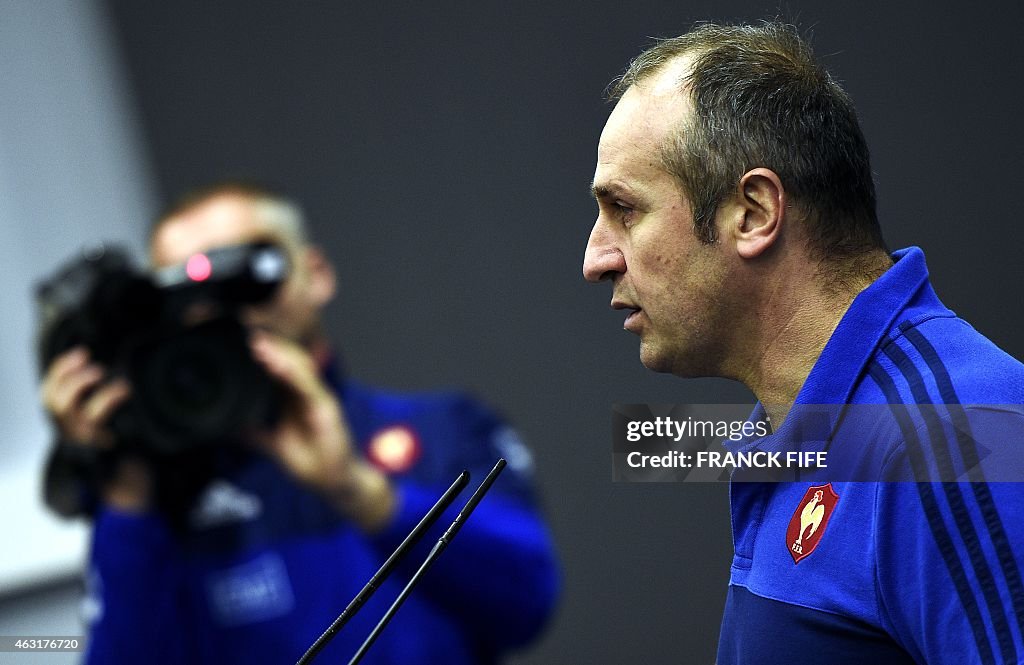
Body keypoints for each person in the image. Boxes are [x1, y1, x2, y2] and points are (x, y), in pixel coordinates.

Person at [583, 22, 1024, 664]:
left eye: (625, 208)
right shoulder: (798, 429)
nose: (596, 258)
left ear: (755, 212)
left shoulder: (960, 440)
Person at [40, 182, 559, 664]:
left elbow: (527, 605)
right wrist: (127, 495)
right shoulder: (163, 494)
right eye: (190, 300)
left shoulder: (444, 428)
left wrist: (360, 491)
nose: (224, 317)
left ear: (316, 274)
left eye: (249, 281)